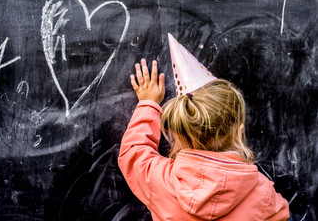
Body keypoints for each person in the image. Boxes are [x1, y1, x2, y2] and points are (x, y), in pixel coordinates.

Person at [118, 34, 290, 220]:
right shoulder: (263, 195)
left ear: (180, 133)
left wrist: (149, 103)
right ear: (239, 134)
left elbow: (133, 151)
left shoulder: (162, 181)